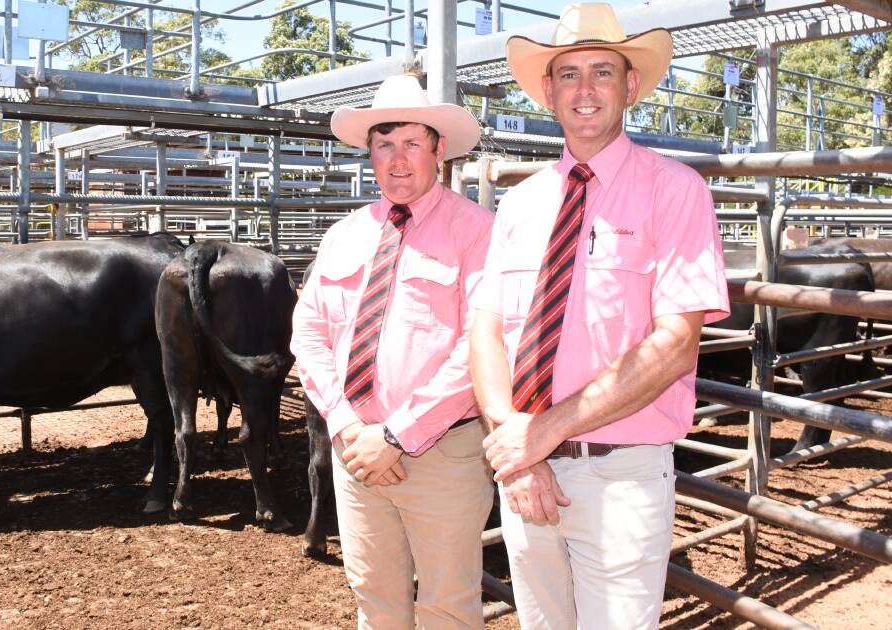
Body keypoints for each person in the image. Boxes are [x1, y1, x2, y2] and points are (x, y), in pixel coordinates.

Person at [469, 4, 731, 629]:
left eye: (602, 72)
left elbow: (675, 346)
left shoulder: (675, 190)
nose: (584, 90)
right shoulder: (521, 203)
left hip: (620, 474)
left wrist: (544, 430)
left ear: (631, 86)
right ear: (549, 91)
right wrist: (522, 449)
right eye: (568, 74)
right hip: (527, 473)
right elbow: (485, 332)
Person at [290, 72, 494, 628]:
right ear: (370, 153)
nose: (397, 160)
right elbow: (307, 333)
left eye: (411, 144)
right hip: (355, 451)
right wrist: (344, 423)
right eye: (385, 145)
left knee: (447, 605)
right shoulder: (344, 234)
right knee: (373, 599)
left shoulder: (476, 231)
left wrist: (396, 434)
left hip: (441, 453)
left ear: (439, 150)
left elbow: (481, 343)